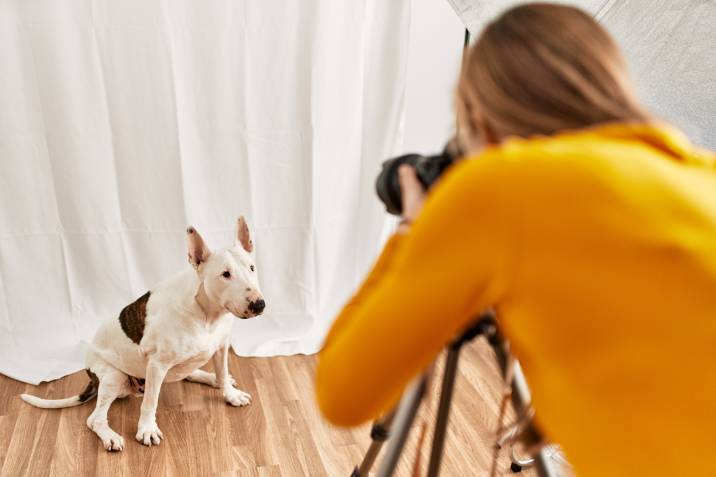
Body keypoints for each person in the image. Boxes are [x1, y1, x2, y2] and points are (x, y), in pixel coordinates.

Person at [314, 3, 716, 476]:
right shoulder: (698, 173)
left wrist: (412, 229)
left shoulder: (501, 187)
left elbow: (342, 396)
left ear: (481, 114)